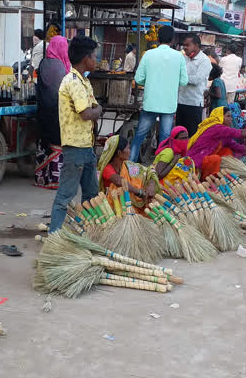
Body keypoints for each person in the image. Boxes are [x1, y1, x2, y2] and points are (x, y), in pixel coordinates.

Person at [48, 35, 101, 232]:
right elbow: (88, 112)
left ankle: (88, 231)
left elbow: (93, 107)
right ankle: (55, 236)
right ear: (85, 58)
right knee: (66, 195)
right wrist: (98, 111)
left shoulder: (83, 81)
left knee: (91, 194)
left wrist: (96, 110)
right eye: (94, 56)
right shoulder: (74, 83)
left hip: (86, 146)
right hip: (75, 147)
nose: (96, 60)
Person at [131, 25, 188, 162]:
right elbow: (184, 81)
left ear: (157, 38)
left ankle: (129, 166)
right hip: (168, 105)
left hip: (150, 103)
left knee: (139, 136)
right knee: (165, 140)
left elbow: (138, 79)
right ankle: (158, 170)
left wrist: (151, 81)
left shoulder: (149, 54)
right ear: (173, 39)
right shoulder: (179, 57)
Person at [186, 106, 246, 178]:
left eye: (231, 116)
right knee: (215, 159)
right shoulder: (216, 127)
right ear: (220, 117)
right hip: (196, 160)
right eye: (228, 116)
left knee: (227, 151)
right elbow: (240, 133)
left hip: (206, 159)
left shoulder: (225, 135)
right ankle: (207, 178)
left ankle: (218, 175)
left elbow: (240, 148)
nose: (231, 119)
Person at [34, 35, 69, 190]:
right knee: (58, 142)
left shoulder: (43, 63)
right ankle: (55, 178)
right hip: (58, 112)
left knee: (44, 141)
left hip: (43, 111)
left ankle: (42, 177)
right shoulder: (62, 67)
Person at [97, 136, 158, 209]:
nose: (130, 150)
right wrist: (141, 193)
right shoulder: (107, 169)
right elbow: (120, 182)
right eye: (128, 148)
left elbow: (148, 171)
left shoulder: (127, 165)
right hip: (115, 206)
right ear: (119, 153)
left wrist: (151, 185)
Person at [177, 34, 212, 136]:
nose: (185, 47)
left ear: (196, 46)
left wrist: (181, 77)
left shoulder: (204, 61)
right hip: (180, 102)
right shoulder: (184, 59)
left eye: (187, 45)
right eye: (184, 45)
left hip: (193, 104)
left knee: (192, 135)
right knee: (179, 134)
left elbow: (196, 79)